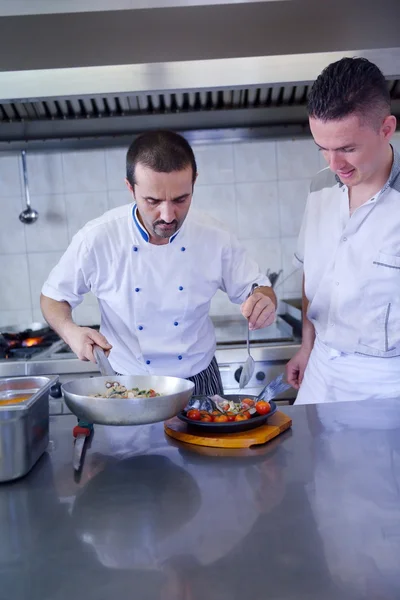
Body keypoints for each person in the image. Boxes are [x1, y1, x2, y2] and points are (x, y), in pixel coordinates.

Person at [41, 130, 276, 395]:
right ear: (130, 188)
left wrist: (264, 301)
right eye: (153, 201)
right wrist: (69, 330)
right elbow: (53, 297)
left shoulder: (215, 236)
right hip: (127, 383)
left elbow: (258, 288)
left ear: (194, 182)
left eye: (180, 199)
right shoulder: (97, 238)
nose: (167, 216)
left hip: (199, 380)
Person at [286, 57, 399, 404]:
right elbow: (312, 276)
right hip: (321, 368)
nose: (335, 165)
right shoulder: (320, 187)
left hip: (386, 380)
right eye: (323, 149)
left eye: (348, 149)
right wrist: (307, 346)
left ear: (386, 128)